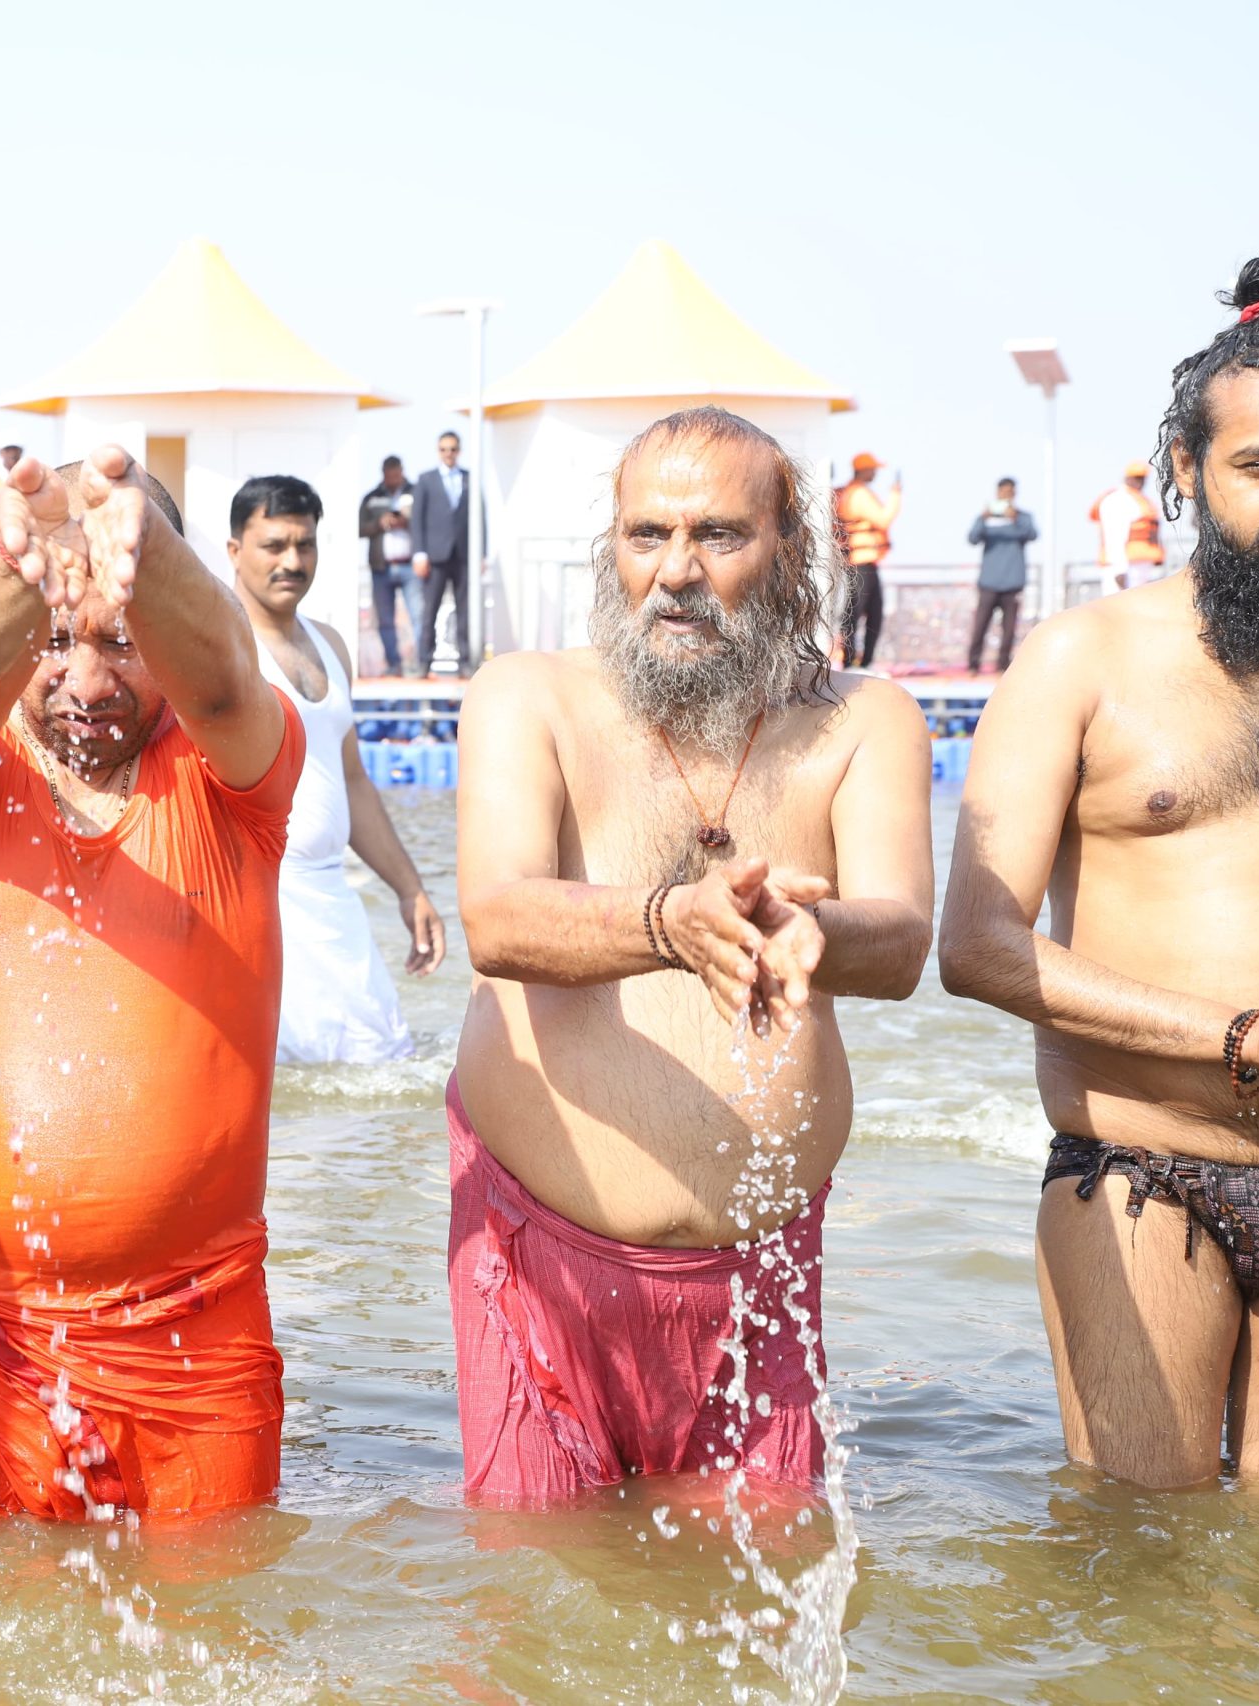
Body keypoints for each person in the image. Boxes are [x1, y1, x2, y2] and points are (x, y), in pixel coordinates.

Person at [939, 249, 1259, 1490]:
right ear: (1185, 473)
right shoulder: (1081, 659)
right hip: (1139, 1169)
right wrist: (1242, 1030)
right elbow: (974, 944)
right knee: (1137, 1568)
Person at [450, 405, 934, 1505]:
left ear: (790, 548)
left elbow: (902, 935)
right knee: (534, 1611)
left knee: (762, 1613)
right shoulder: (530, 694)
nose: (675, 571)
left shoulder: (864, 719)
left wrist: (818, 931)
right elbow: (498, 917)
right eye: (644, 536)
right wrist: (673, 921)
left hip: (761, 1270)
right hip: (536, 1256)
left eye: (718, 535)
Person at [0, 445, 306, 1520]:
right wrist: (19, 569)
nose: (84, 681)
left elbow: (221, 674)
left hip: (195, 1337)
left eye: (121, 642)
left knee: (222, 1645)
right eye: (53, 641)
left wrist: (142, 558)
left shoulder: (232, 774)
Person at [229, 475, 445, 1063]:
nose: (292, 561)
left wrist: (410, 889)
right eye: (273, 546)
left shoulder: (329, 644)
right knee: (288, 1094)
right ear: (235, 552)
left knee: (383, 1059)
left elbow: (351, 779)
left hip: (333, 897)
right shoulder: (223, 648)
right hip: (261, 900)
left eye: (305, 545)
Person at [410, 431, 480, 677]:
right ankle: (423, 662)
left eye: (452, 449)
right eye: (444, 449)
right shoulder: (426, 480)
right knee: (430, 611)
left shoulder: (470, 479)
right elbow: (416, 520)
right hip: (435, 556)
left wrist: (480, 554)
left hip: (462, 556)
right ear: (438, 451)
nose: (448, 453)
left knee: (465, 611)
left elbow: (479, 518)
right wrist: (419, 553)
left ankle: (466, 662)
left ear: (458, 451)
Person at [834, 451, 899, 669]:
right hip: (860, 562)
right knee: (858, 611)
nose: (875, 474)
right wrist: (896, 495)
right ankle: (852, 661)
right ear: (864, 470)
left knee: (868, 610)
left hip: (861, 561)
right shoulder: (859, 494)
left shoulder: (851, 492)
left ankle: (860, 660)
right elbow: (883, 519)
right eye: (873, 469)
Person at [965, 477, 1037, 675]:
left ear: (1014, 494)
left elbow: (1032, 534)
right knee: (980, 625)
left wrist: (1015, 519)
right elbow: (972, 538)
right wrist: (983, 518)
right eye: (1002, 493)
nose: (1006, 496)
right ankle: (973, 665)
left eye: (1009, 492)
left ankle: (1002, 666)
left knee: (1009, 629)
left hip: (1013, 582)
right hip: (989, 582)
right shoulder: (987, 519)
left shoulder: (1023, 517)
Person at [358, 456, 418, 677]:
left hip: (410, 567)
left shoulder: (417, 492)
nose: (392, 479)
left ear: (402, 471)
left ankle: (418, 664)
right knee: (385, 619)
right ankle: (394, 664)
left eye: (396, 475)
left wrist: (406, 522)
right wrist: (379, 523)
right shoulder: (372, 498)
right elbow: (359, 528)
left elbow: (427, 523)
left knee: (418, 616)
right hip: (381, 567)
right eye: (388, 475)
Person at [1092, 459, 1169, 590]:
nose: (1140, 482)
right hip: (1124, 567)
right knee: (1117, 606)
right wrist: (1119, 569)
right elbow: (1114, 535)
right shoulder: (1118, 499)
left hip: (1139, 565)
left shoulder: (1140, 499)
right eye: (1137, 478)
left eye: (1142, 478)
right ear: (1127, 478)